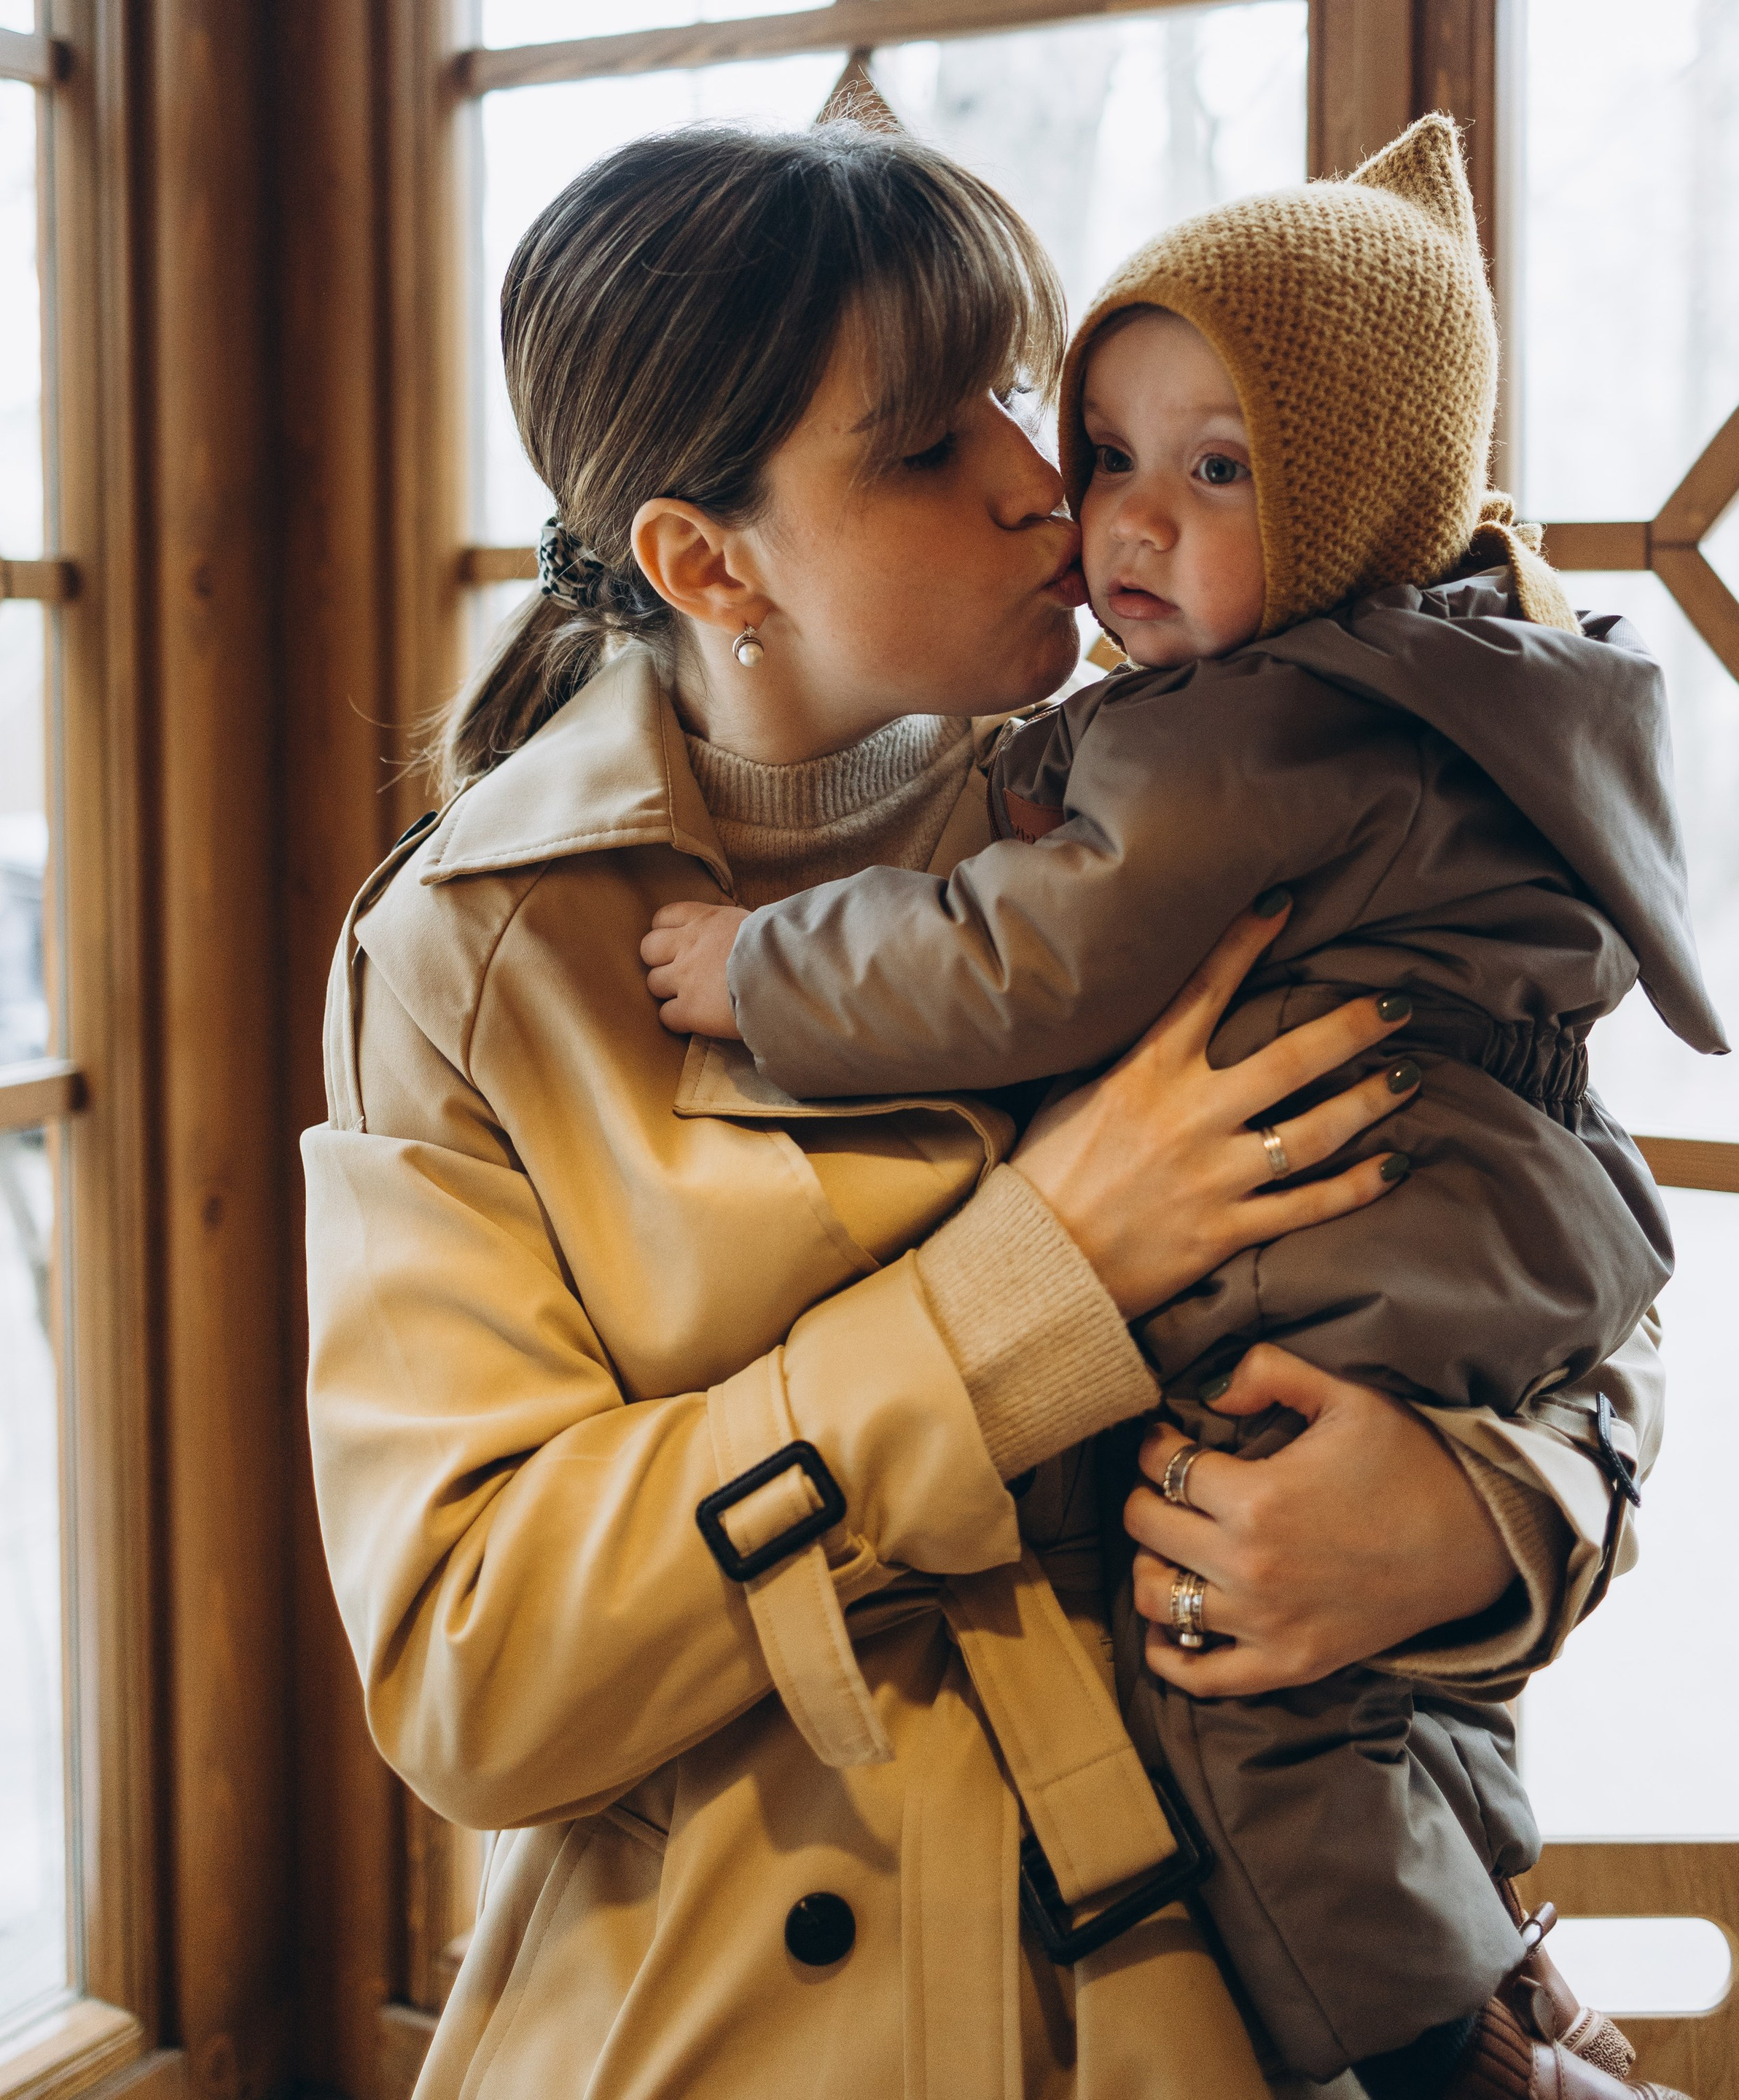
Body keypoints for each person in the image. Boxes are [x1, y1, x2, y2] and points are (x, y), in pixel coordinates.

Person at [303, 121, 1666, 2100]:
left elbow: (1554, 1238)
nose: (1047, 479)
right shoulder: (479, 953)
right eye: (933, 443)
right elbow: (472, 1671)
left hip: (1230, 1997)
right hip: (742, 2030)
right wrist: (1035, 1286)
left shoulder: (1196, 774)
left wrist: (1487, 1517)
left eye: (1026, 387)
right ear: (707, 562)